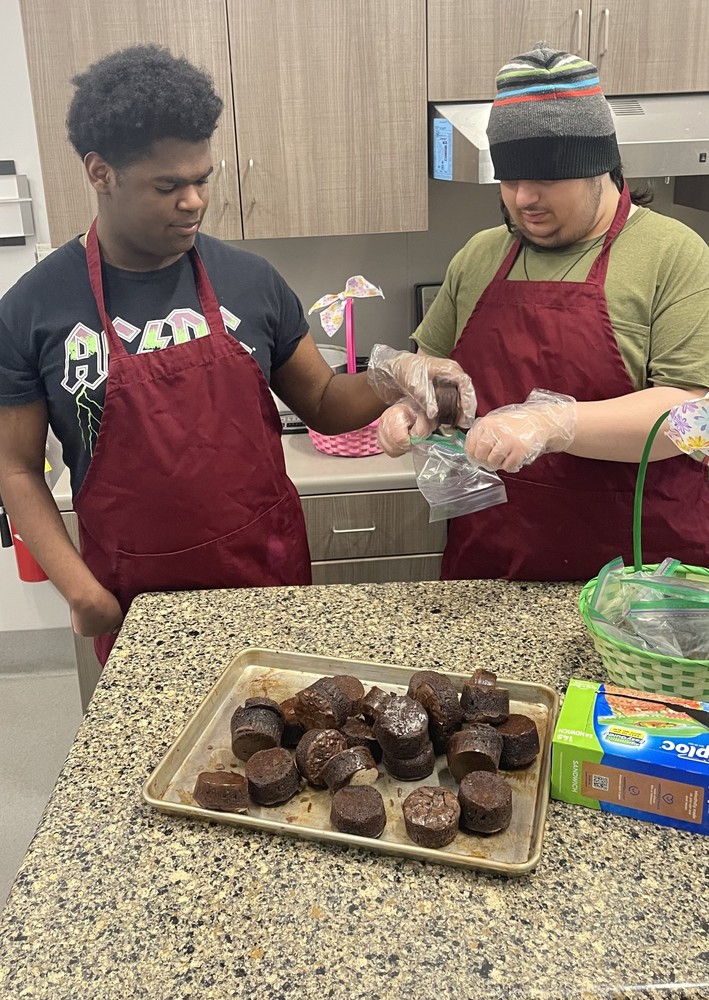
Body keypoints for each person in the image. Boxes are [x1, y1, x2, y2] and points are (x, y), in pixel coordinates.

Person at [0, 44, 458, 664]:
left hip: (265, 585)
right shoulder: (34, 307)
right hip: (136, 602)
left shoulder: (249, 280)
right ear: (99, 171)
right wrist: (80, 590)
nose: (193, 201)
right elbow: (18, 469)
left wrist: (395, 372)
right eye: (168, 185)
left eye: (202, 178)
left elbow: (323, 402)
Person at [378, 44, 709, 582]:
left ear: (599, 165)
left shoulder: (671, 254)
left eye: (547, 179)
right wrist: (416, 406)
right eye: (509, 179)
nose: (524, 198)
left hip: (637, 573)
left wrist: (553, 422)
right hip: (493, 562)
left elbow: (689, 417)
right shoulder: (482, 254)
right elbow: (433, 366)